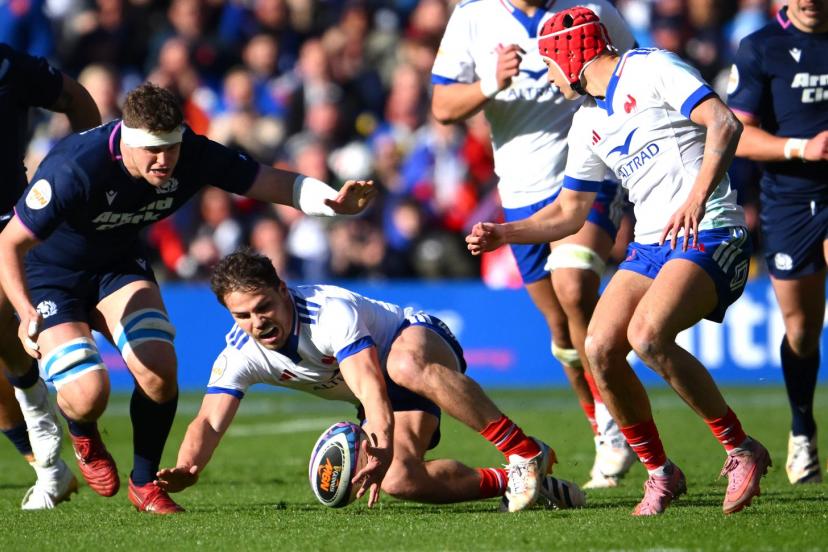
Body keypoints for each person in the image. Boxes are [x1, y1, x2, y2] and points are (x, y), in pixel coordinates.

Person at [0, 82, 375, 514]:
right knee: (89, 394)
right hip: (51, 276)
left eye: (171, 147)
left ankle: (144, 484)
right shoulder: (76, 168)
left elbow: (267, 180)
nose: (164, 161)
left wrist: (331, 202)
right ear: (126, 140)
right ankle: (83, 432)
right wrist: (26, 311)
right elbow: (9, 245)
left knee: (160, 371)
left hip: (118, 267)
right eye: (153, 150)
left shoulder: (192, 154)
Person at [466, 6, 771, 516]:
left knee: (647, 336)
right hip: (652, 246)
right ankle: (661, 472)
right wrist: (505, 231)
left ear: (571, 57)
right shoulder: (586, 121)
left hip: (711, 230)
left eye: (551, 64)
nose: (550, 77)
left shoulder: (652, 68)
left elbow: (723, 123)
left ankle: (741, 450)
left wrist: (696, 198)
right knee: (599, 347)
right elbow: (569, 211)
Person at [154, 248, 572, 513]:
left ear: (282, 290)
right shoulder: (241, 352)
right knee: (399, 481)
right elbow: (208, 421)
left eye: (263, 307)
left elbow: (370, 387)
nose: (256, 322)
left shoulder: (328, 312)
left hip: (413, 341)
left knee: (402, 367)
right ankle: (521, 481)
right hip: (381, 386)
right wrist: (191, 467)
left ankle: (524, 451)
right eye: (241, 315)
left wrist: (380, 446)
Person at [430, 0, 637, 488]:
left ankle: (618, 425)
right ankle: (601, 427)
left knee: (573, 286)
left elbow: (633, 73)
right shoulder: (472, 17)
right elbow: (441, 107)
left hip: (587, 177)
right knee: (561, 330)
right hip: (520, 193)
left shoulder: (589, 8)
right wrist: (489, 84)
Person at [726, 0, 828, 485]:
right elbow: (737, 135)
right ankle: (803, 427)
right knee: (803, 331)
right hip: (788, 200)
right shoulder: (761, 47)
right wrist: (799, 148)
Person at [0, 43, 101, 509]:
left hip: (8, 220)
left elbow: (78, 100)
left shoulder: (9, 63)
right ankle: (47, 464)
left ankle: (54, 450)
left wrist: (80, 174)